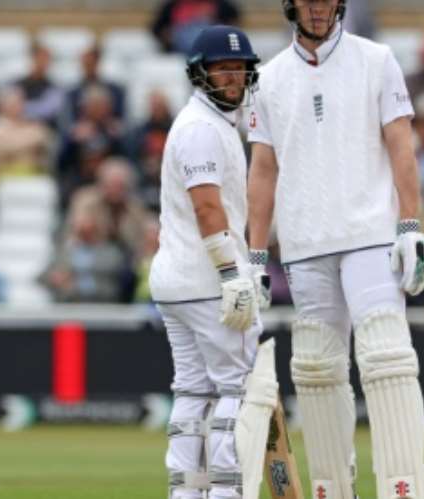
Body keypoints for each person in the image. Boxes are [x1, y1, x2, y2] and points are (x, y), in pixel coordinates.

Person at [247, 1, 424, 497]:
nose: (318, 8)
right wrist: (255, 257)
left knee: (386, 358)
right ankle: (331, 489)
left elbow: (401, 146)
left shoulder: (376, 59)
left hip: (370, 233)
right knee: (315, 369)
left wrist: (410, 225)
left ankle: (404, 488)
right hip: (306, 243)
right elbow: (263, 171)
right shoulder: (267, 80)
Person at [148, 26, 276, 499]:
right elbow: (207, 207)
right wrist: (230, 274)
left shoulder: (206, 123)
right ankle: (226, 491)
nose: (233, 79)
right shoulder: (201, 128)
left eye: (239, 69)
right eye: (222, 69)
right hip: (206, 280)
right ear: (199, 73)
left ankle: (186, 491)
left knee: (192, 392)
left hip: (175, 282)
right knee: (236, 392)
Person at [66, 158, 147, 261]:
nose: (116, 190)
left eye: (120, 186)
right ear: (102, 183)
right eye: (112, 184)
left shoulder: (135, 206)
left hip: (125, 259)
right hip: (89, 253)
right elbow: (80, 230)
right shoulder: (85, 200)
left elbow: (138, 239)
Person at [40, 212, 130, 303]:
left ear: (97, 231)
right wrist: (55, 278)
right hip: (71, 303)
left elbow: (116, 271)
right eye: (81, 232)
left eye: (89, 231)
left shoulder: (110, 251)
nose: (85, 236)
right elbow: (43, 277)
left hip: (103, 302)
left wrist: (77, 277)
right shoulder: (64, 253)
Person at [0, 86, 52, 184]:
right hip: (6, 178)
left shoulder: (34, 125)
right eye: (14, 103)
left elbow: (44, 139)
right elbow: (0, 150)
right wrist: (30, 141)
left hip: (35, 176)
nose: (19, 106)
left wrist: (14, 142)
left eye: (21, 102)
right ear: (2, 106)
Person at [150, 0, 241, 54]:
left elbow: (234, 25)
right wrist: (168, 37)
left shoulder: (221, 5)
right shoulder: (173, 6)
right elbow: (158, 29)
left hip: (214, 55)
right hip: (179, 55)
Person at [65, 45, 126, 122]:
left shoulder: (115, 91)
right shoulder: (73, 93)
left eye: (91, 62)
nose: (89, 66)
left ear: (98, 62)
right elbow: (70, 121)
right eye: (86, 62)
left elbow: (120, 119)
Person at [15, 43, 66, 128]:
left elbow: (47, 111)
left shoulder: (54, 87)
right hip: (18, 127)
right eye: (40, 58)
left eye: (47, 59)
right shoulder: (18, 84)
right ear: (33, 58)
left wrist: (22, 108)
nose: (43, 62)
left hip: (43, 129)